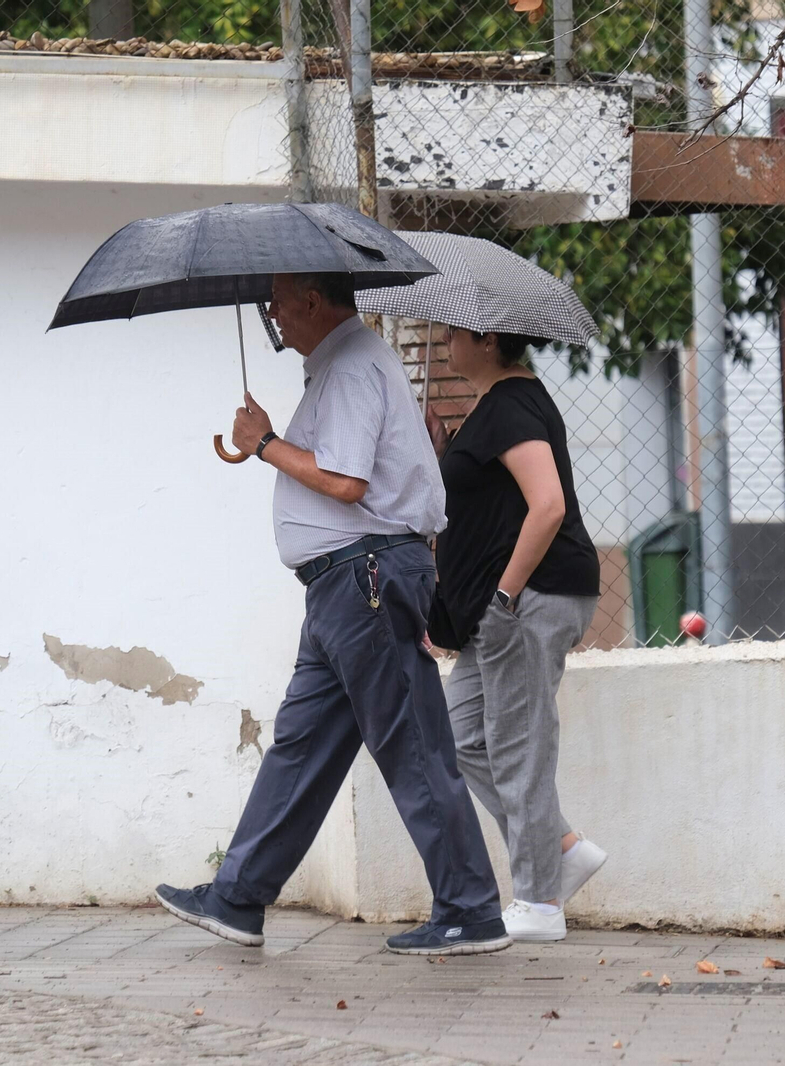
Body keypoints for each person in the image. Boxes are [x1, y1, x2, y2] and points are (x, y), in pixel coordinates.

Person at [156, 273, 511, 957]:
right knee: (302, 747)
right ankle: (237, 898)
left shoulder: (349, 365)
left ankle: (470, 910)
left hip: (361, 580)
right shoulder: (344, 364)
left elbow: (347, 482)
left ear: (313, 301)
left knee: (411, 745)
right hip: (344, 586)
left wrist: (265, 443)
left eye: (279, 298)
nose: (271, 312)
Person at [425, 327, 607, 944]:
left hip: (528, 597)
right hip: (502, 606)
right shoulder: (496, 404)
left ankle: (539, 902)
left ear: (485, 338)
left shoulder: (510, 404)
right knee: (459, 733)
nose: (444, 340)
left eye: (453, 332)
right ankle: (562, 849)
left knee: (518, 746)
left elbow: (548, 504)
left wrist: (505, 596)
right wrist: (443, 449)